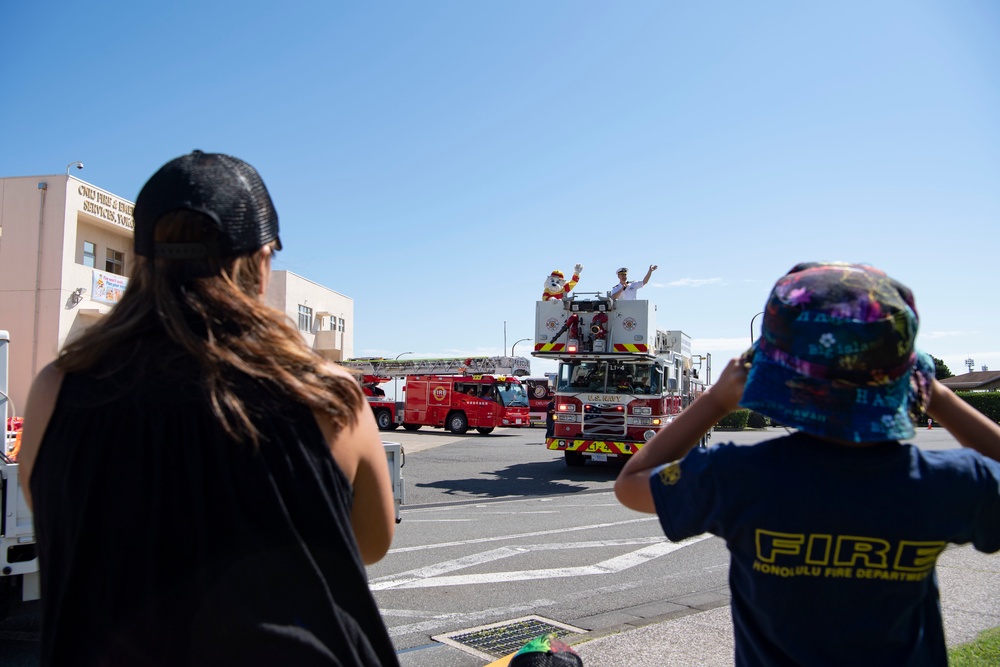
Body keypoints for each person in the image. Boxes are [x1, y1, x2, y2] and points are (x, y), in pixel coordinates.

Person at [18, 151, 400, 666]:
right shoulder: (326, 395)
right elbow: (371, 543)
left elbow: (59, 517)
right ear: (260, 259)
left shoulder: (56, 390)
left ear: (142, 258)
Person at [614, 261, 1000, 666]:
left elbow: (631, 484)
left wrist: (713, 401)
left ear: (770, 371)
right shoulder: (945, 481)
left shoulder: (737, 475)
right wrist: (934, 393)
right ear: (906, 375)